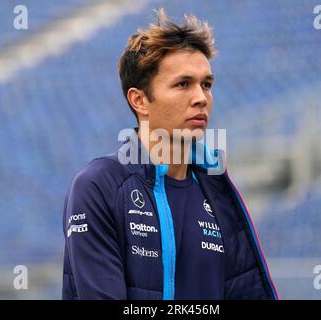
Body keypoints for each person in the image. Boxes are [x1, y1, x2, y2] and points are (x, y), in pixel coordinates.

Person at [62, 9, 278, 300]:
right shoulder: (99, 186)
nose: (201, 97)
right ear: (139, 100)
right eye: (182, 84)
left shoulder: (218, 192)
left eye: (207, 85)